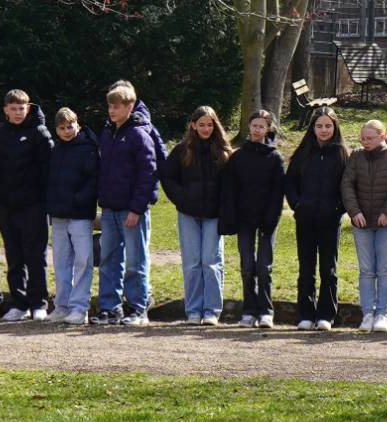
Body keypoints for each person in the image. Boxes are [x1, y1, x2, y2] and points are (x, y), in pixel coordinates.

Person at [93, 81, 166, 327]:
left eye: (117, 106)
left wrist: (137, 208)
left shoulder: (139, 134)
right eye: (110, 106)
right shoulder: (108, 132)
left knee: (136, 261)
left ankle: (138, 309)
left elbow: (149, 173)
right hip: (110, 208)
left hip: (132, 210)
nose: (112, 111)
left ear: (130, 106)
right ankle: (109, 309)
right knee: (109, 260)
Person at [163, 106, 233, 326]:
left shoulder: (223, 151)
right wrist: (181, 199)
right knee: (192, 262)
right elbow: (167, 177)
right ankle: (193, 310)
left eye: (209, 125)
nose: (205, 129)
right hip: (188, 213)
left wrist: (224, 206)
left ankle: (212, 310)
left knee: (211, 261)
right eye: (201, 124)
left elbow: (232, 184)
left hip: (214, 215)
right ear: (193, 125)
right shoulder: (182, 150)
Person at [341, 118, 387, 332]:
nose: (365, 142)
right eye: (363, 138)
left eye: (370, 138)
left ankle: (382, 313)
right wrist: (355, 212)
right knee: (366, 270)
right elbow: (347, 185)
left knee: (383, 269)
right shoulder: (356, 156)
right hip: (361, 223)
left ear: (383, 135)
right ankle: (367, 313)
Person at [220, 109, 285, 328]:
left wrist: (271, 219)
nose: (257, 130)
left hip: (267, 219)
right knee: (247, 265)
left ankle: (266, 310)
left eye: (261, 126)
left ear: (268, 129)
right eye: (254, 125)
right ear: (249, 127)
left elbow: (278, 193)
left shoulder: (275, 157)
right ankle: (249, 309)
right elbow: (230, 189)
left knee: (264, 266)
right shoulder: (238, 156)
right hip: (244, 219)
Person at [0, 89, 54, 322]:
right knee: (14, 256)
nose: (18, 112)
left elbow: (48, 170)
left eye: (22, 108)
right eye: (14, 108)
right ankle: (19, 303)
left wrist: (45, 202)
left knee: (35, 256)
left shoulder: (39, 132)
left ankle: (38, 302)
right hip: (7, 206)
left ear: (28, 108)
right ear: (6, 109)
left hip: (34, 205)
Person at [285, 108, 349, 330]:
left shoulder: (342, 154)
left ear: (335, 127)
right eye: (319, 126)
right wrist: (298, 205)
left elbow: (348, 186)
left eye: (328, 126)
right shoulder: (303, 152)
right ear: (313, 128)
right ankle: (305, 313)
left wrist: (338, 208)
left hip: (330, 221)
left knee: (328, 269)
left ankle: (326, 315)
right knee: (306, 268)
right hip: (305, 219)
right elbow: (290, 182)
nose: (323, 130)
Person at [44, 107, 100, 325]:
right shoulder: (55, 149)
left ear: (78, 125)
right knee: (61, 261)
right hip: (58, 215)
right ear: (56, 130)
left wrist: (78, 201)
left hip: (80, 214)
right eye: (62, 128)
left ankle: (79, 307)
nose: (67, 131)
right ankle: (62, 305)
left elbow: (92, 180)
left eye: (70, 126)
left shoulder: (89, 148)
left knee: (83, 260)